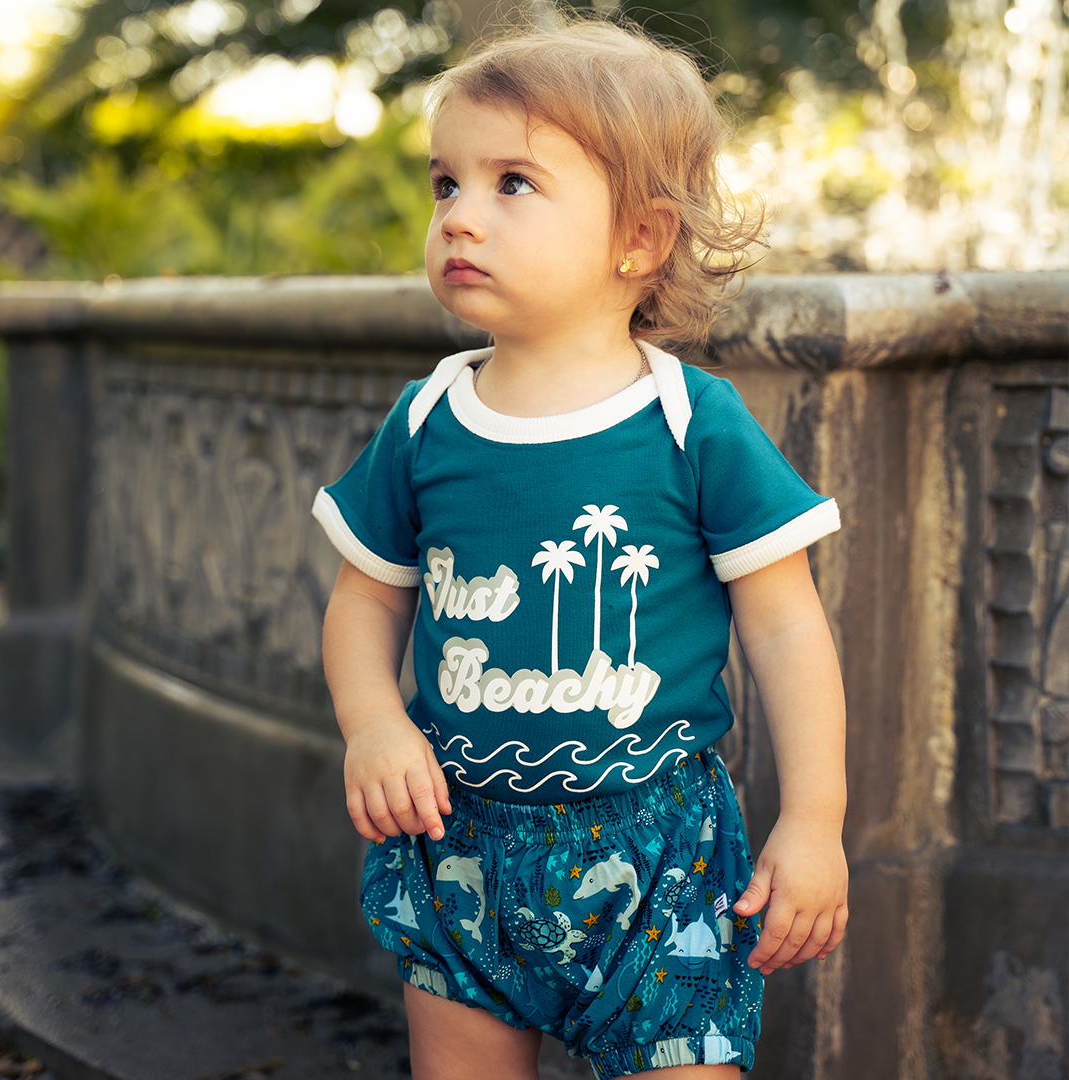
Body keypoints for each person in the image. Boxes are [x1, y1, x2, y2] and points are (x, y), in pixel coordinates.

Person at [313, 14, 848, 1079]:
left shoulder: (692, 422)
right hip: (459, 849)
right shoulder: (429, 419)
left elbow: (786, 626)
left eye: (512, 183)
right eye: (444, 183)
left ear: (638, 240)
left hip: (660, 870)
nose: (461, 216)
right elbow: (366, 599)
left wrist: (817, 820)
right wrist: (371, 722)